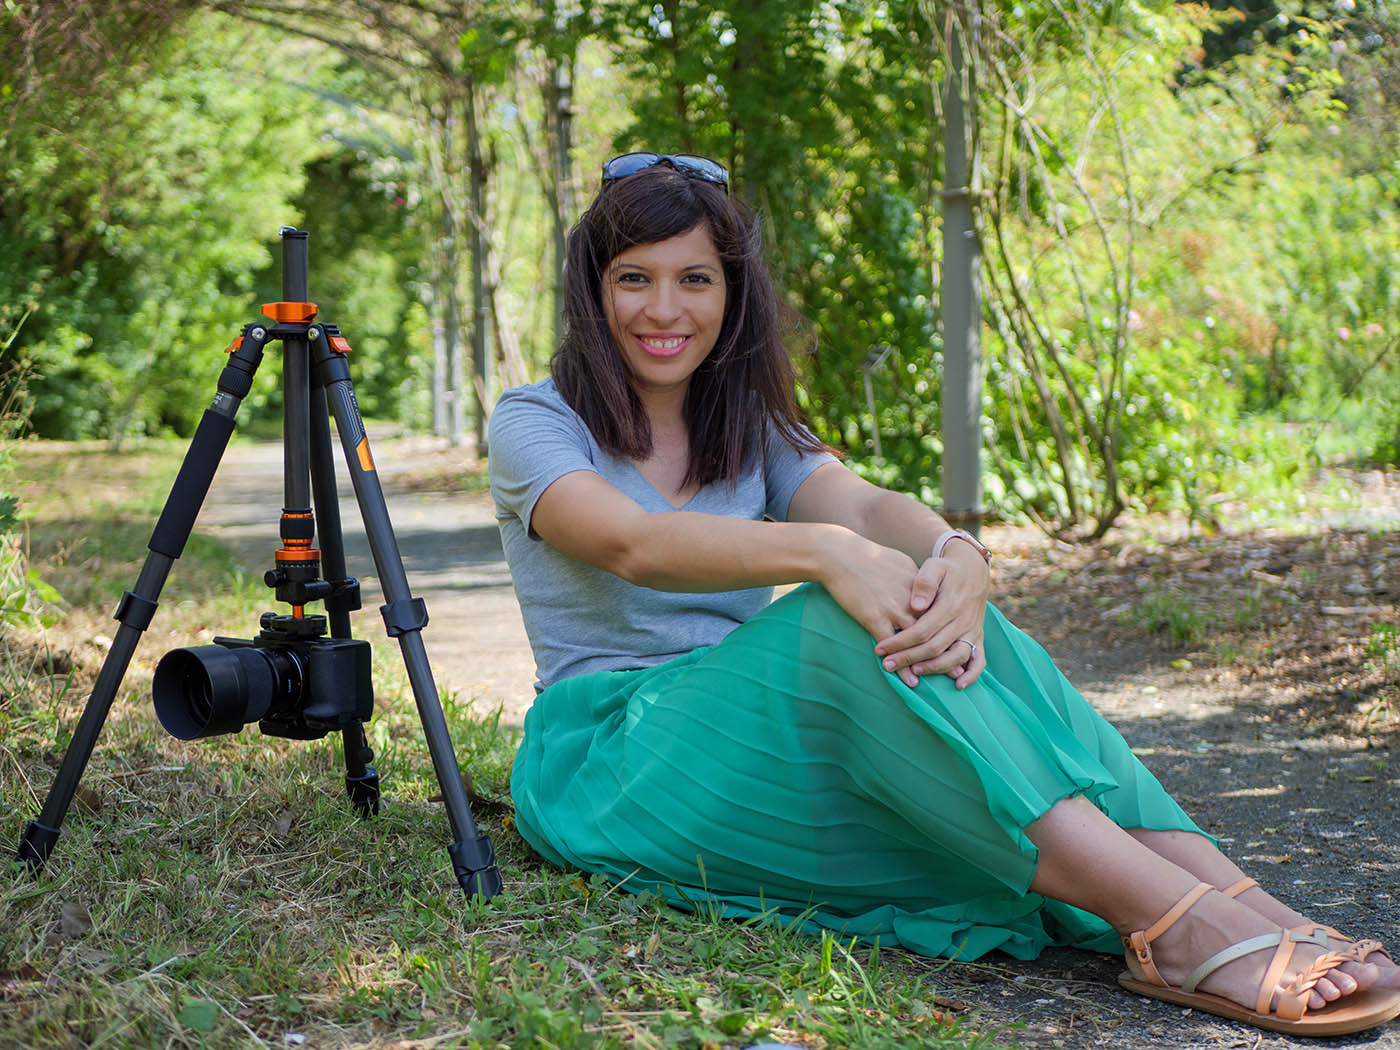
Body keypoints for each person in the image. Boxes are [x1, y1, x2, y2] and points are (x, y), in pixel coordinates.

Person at [487, 151, 1400, 1037]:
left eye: (694, 280)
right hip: (611, 758)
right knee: (827, 621)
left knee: (959, 616)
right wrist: (827, 554)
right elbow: (630, 542)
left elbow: (867, 503)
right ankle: (1181, 926)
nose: (664, 310)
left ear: (732, 294)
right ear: (593, 290)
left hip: (750, 742)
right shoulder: (536, 422)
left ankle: (1237, 900)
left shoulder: (744, 422)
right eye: (633, 279)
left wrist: (957, 555)